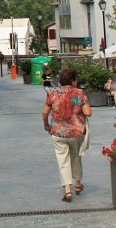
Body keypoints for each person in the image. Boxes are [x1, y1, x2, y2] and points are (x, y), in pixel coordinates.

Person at [42, 67, 92, 202]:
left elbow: (45, 112)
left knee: (62, 160)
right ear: (74, 81)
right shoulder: (80, 93)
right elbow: (88, 112)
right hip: (76, 132)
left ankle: (68, 190)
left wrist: (46, 124)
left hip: (58, 132)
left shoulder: (53, 93)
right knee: (76, 156)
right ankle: (78, 184)